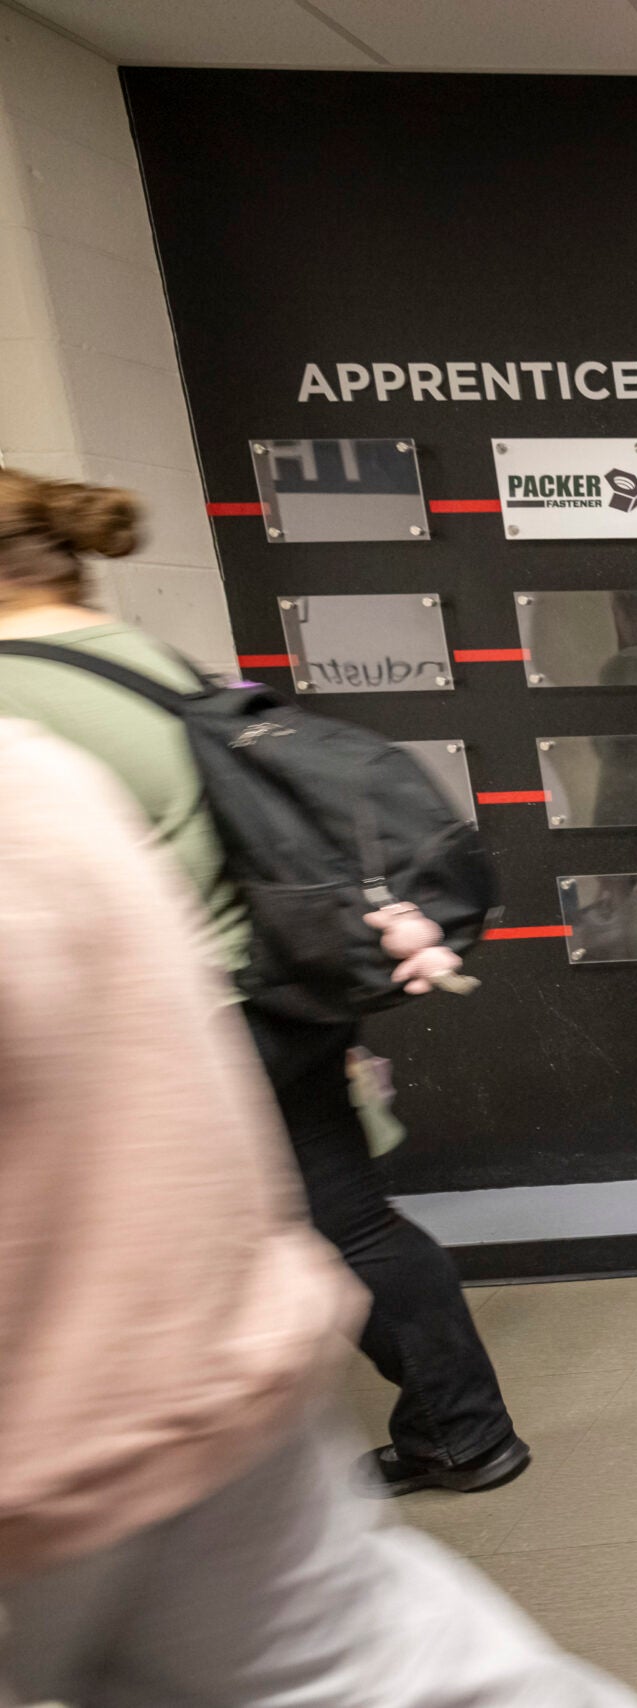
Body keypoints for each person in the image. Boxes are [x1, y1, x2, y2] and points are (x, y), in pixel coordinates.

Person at [0, 719, 637, 1705]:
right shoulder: (45, 764)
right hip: (200, 1353)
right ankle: (465, 1430)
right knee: (386, 1668)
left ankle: (461, 1430)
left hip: (70, 1401)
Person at [0, 472, 527, 1496]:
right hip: (274, 992)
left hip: (159, 1026)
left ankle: (179, 1481)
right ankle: (461, 1431)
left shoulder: (14, 695)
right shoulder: (148, 663)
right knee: (354, 1221)